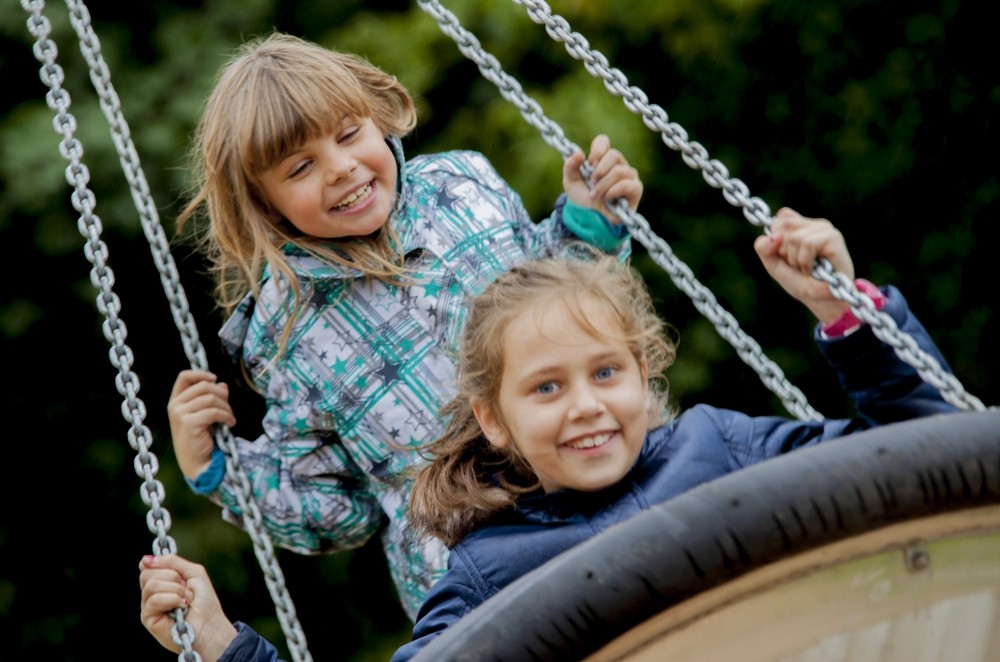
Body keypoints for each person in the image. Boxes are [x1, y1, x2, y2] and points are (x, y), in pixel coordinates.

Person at [140, 208, 960, 661]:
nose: (586, 407)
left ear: (644, 375)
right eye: (545, 388)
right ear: (495, 418)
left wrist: (843, 310)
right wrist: (222, 645)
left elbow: (928, 447)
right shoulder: (486, 573)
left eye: (606, 373)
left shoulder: (722, 450)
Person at [165, 29, 642, 621]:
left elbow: (567, 311)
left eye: (348, 134)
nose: (341, 168)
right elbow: (335, 510)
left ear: (379, 117)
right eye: (301, 166)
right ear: (263, 203)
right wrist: (219, 470)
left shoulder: (462, 187)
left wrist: (590, 228)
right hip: (478, 581)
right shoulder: (285, 336)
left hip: (603, 489)